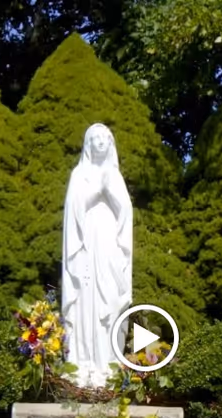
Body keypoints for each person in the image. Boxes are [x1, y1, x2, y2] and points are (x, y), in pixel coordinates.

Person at [61, 123, 134, 389]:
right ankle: (82, 363)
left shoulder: (115, 176)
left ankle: (108, 364)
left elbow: (125, 212)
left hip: (108, 248)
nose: (101, 142)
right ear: (88, 144)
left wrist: (110, 192)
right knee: (85, 304)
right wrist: (96, 192)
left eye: (106, 138)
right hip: (84, 249)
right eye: (95, 138)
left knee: (109, 303)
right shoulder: (78, 175)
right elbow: (73, 210)